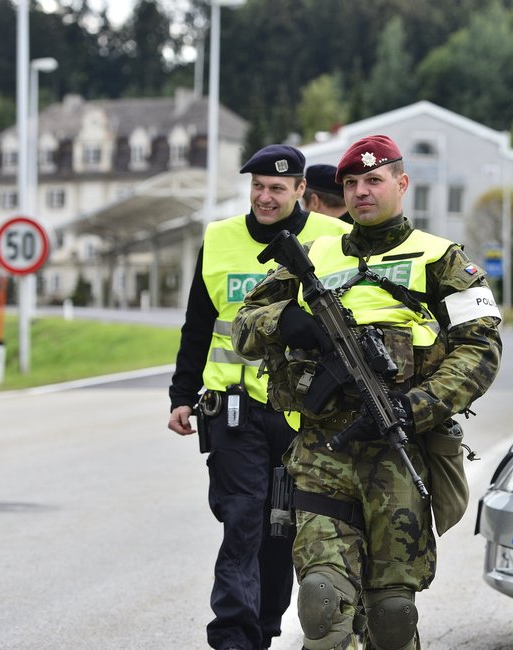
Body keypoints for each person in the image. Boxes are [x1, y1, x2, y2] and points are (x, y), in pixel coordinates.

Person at [231, 134, 502, 650]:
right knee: (321, 601)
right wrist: (285, 320)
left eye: (373, 180)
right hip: (321, 451)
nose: (360, 192)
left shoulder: (441, 259)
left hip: (402, 449)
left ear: (401, 184)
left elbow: (481, 349)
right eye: (350, 183)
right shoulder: (313, 254)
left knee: (392, 615)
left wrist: (414, 406)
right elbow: (244, 326)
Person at [167, 144, 350, 650]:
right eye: (257, 187)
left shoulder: (334, 237)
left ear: (300, 192)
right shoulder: (220, 238)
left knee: (280, 531)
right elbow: (199, 323)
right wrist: (181, 395)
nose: (264, 198)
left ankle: (265, 626)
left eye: (276, 189)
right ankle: (234, 639)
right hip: (233, 408)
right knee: (242, 521)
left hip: (305, 413)